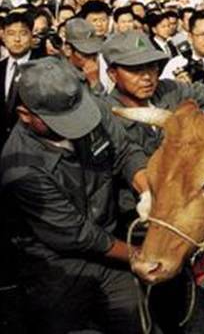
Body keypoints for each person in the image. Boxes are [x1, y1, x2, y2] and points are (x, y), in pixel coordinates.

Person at [0, 56, 150, 333]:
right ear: (26, 115)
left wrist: (147, 190)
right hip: (57, 269)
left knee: (138, 323)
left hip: (110, 253)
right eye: (63, 121)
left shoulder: (89, 110)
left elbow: (125, 152)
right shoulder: (21, 167)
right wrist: (138, 254)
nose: (79, 126)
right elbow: (77, 234)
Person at [1, 11, 39, 150]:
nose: (17, 39)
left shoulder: (43, 67)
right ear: (3, 36)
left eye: (23, 33)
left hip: (32, 146)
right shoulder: (1, 67)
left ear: (31, 36)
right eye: (11, 34)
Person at [63, 17, 106, 92]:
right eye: (85, 55)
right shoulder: (59, 78)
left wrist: (95, 83)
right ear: (68, 50)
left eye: (94, 54)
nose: (91, 60)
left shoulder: (98, 69)